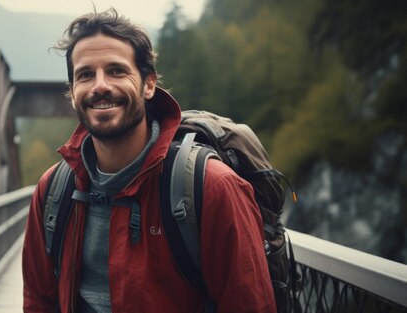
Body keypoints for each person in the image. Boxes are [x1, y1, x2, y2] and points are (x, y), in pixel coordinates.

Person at [22, 8, 276, 313]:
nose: (100, 85)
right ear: (73, 93)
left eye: (117, 70)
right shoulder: (53, 190)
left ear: (149, 84)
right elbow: (39, 302)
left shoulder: (211, 189)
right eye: (85, 74)